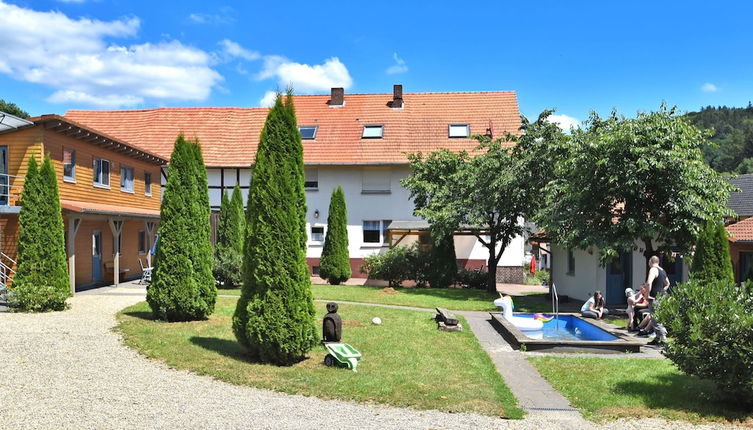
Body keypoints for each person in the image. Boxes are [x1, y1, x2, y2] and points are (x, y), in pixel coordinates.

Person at [645, 255, 670, 346]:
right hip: (661, 297)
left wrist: (647, 295)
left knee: (655, 318)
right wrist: (663, 291)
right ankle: (657, 338)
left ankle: (663, 338)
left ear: (651, 262)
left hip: (654, 297)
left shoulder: (653, 269)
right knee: (657, 316)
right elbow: (668, 283)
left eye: (649, 262)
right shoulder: (662, 271)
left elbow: (649, 282)